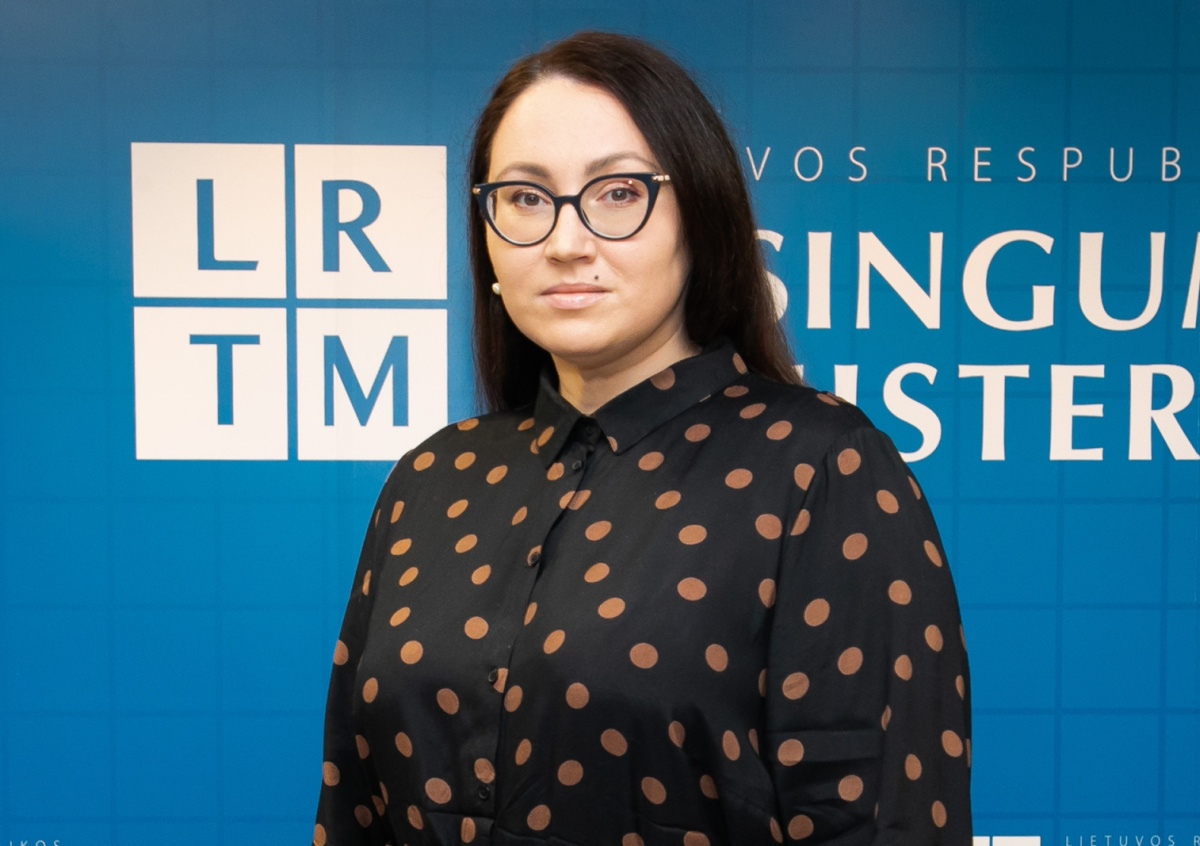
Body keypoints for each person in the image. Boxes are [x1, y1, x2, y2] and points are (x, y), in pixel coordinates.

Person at [314, 31, 971, 846]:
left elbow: (879, 819)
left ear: (699, 218)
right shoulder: (432, 477)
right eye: (524, 198)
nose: (566, 243)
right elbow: (353, 809)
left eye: (619, 192)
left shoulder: (822, 468)